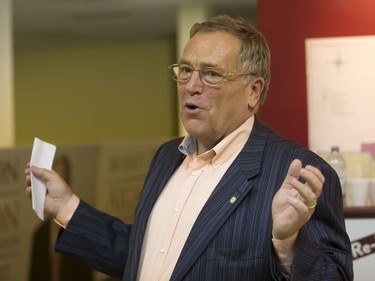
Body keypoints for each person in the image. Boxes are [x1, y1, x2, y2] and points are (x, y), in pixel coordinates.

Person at [25, 15, 353, 281]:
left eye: (210, 75)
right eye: (185, 71)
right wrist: (67, 207)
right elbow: (146, 256)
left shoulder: (295, 172)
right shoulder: (167, 156)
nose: (191, 87)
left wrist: (287, 245)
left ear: (253, 91)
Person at [29, 155, 93, 281]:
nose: (55, 189)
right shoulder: (39, 235)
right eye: (51, 183)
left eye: (60, 182)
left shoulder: (81, 235)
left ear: (68, 185)